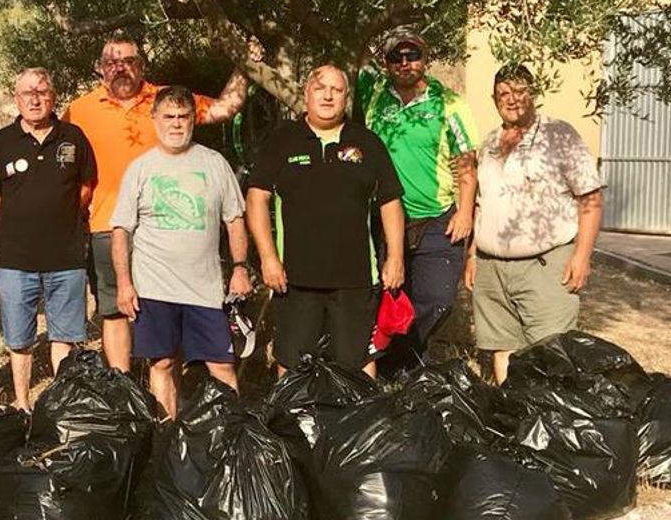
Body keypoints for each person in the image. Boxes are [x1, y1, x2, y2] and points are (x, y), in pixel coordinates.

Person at [64, 33, 247, 372]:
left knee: (165, 306)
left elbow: (224, 108)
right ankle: (124, 388)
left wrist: (246, 63)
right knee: (116, 310)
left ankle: (166, 378)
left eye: (129, 61)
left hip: (167, 229)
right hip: (107, 226)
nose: (121, 69)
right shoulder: (79, 110)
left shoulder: (165, 102)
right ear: (101, 69)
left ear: (142, 66)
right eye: (112, 63)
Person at [245, 65, 406, 376]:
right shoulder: (282, 140)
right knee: (291, 361)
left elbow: (390, 201)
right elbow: (256, 198)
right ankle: (291, 422)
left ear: (346, 97)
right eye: (320, 88)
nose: (328, 95)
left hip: (355, 277)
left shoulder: (367, 142)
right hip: (294, 278)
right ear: (306, 95)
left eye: (336, 89)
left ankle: (361, 423)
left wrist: (396, 257)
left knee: (358, 360)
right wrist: (267, 258)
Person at [110, 86, 251, 418]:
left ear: (193, 120)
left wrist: (241, 267)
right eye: (169, 117)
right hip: (154, 287)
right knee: (162, 363)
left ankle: (232, 436)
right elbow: (121, 231)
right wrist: (124, 284)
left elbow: (234, 220)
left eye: (183, 117)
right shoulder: (140, 169)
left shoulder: (214, 163)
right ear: (155, 119)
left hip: (204, 289)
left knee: (222, 365)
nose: (176, 124)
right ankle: (167, 438)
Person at [466, 63, 605, 384]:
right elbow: (482, 204)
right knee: (502, 347)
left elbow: (590, 198)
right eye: (504, 93)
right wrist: (473, 255)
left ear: (534, 93)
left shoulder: (560, 135)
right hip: (492, 268)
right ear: (493, 99)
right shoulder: (489, 143)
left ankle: (547, 419)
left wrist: (582, 256)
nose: (512, 100)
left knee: (550, 348)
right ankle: (512, 413)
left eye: (520, 91)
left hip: (545, 264)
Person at [357, 27, 478, 377]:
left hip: (437, 218)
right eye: (397, 56)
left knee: (437, 300)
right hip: (384, 218)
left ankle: (403, 362)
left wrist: (466, 211)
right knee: (388, 293)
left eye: (413, 55)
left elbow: (466, 161)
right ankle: (394, 367)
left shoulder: (449, 103)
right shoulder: (375, 97)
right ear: (386, 62)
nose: (405, 62)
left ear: (425, 60)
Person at [0, 68, 97, 410]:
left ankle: (59, 406)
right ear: (16, 99)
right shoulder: (2, 141)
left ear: (53, 96)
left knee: (65, 336)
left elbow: (86, 186)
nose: (35, 98)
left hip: (66, 255)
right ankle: (22, 402)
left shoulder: (73, 137)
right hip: (16, 257)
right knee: (20, 339)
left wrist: (59, 217)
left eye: (42, 91)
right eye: (27, 92)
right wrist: (22, 218)